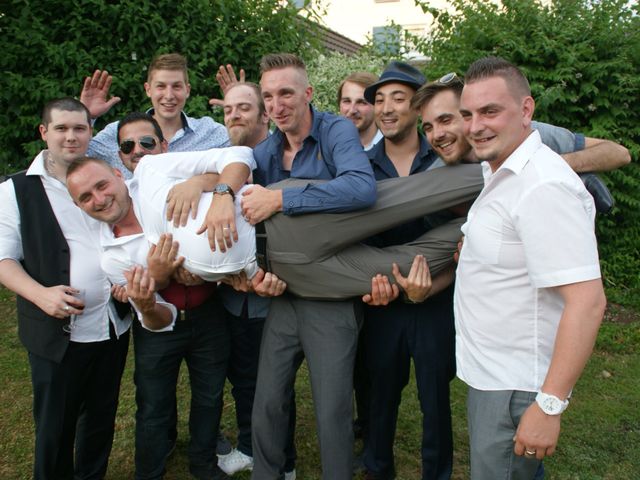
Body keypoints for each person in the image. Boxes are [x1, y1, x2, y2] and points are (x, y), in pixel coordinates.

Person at [66, 127, 257, 480]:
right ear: (79, 206)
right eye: (86, 197)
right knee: (152, 406)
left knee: (210, 397)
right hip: (159, 332)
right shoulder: (112, 257)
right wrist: (157, 281)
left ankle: (203, 464)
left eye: (102, 185)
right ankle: (149, 472)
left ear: (119, 175)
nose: (99, 198)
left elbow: (239, 159)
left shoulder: (157, 176)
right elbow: (157, 319)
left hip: (209, 314)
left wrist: (202, 185)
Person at [455, 56, 606, 480]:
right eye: (468, 114)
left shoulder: (543, 186)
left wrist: (549, 405)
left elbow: (588, 302)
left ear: (526, 110)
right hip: (494, 377)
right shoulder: (502, 167)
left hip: (516, 388)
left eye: (490, 111)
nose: (475, 126)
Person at [244, 52, 377, 480]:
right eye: (267, 96)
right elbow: (255, 227)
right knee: (268, 400)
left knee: (333, 406)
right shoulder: (265, 151)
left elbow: (360, 188)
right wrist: (258, 276)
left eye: (285, 92)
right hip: (286, 292)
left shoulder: (336, 130)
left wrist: (282, 197)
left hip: (330, 294)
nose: (277, 105)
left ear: (308, 93)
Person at [0, 98, 130, 480]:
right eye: (61, 128)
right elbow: (3, 259)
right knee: (56, 426)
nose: (71, 136)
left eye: (79, 128)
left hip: (112, 327)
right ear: (44, 133)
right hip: (57, 335)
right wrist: (40, 294)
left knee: (101, 418)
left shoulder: (103, 175)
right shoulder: (15, 190)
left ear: (91, 132)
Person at [215, 82, 298, 478]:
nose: (235, 115)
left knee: (277, 384)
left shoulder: (280, 160)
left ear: (265, 115)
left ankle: (284, 461)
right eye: (229, 109)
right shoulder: (222, 163)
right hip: (233, 296)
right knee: (243, 377)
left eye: (245, 107)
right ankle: (249, 445)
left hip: (279, 293)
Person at [82, 53, 230, 178]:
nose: (169, 95)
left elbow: (248, 152)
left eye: (176, 86)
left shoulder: (210, 132)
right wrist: (85, 117)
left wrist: (242, 106)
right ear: (148, 89)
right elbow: (73, 157)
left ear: (187, 90)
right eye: (161, 86)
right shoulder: (119, 132)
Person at [338, 72, 383, 150]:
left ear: (377, 105)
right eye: (347, 101)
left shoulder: (392, 148)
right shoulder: (327, 147)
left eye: (361, 102)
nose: (352, 110)